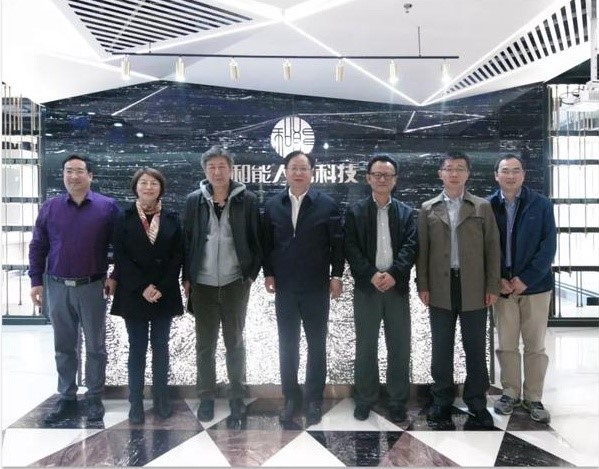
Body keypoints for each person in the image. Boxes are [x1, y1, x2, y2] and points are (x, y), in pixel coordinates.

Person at [29, 154, 119, 424]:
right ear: (63, 175)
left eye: (79, 171)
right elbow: (38, 246)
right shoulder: (50, 208)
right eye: (68, 171)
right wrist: (35, 281)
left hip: (92, 286)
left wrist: (115, 275)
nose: (73, 176)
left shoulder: (107, 207)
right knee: (64, 346)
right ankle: (67, 396)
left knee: (96, 347)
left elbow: (121, 246)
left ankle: (94, 397)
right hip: (57, 286)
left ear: (90, 176)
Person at [416, 151, 501, 427]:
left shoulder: (481, 207)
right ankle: (441, 400)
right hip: (440, 287)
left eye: (460, 169)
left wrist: (492, 285)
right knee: (441, 347)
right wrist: (423, 284)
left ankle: (477, 401)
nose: (454, 174)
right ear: (440, 173)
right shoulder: (428, 208)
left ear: (468, 174)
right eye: (449, 168)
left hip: (474, 287)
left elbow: (493, 249)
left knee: (475, 347)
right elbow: (422, 252)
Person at [262, 150, 344, 426]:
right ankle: (291, 397)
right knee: (287, 344)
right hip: (285, 287)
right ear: (285, 172)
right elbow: (266, 244)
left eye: (303, 168)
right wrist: (268, 273)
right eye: (293, 168)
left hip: (316, 287)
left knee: (316, 345)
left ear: (312, 173)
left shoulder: (327, 205)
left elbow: (337, 244)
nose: (298, 173)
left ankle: (313, 399)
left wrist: (337, 275)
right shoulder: (273, 205)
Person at [183, 145, 262, 422]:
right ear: (205, 171)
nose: (217, 172)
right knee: (205, 344)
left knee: (235, 342)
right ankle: (206, 397)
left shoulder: (247, 200)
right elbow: (187, 241)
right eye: (212, 167)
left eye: (222, 166)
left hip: (234, 283)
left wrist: (250, 275)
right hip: (202, 284)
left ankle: (237, 396)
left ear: (231, 169)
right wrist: (187, 277)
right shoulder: (194, 201)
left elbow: (257, 239)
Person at [344, 155, 418, 422]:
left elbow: (411, 246)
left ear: (395, 180)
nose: (382, 179)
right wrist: (371, 275)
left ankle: (397, 400)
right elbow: (350, 247)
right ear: (368, 178)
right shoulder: (355, 212)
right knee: (366, 346)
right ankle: (365, 398)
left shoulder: (406, 213)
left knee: (399, 346)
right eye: (377, 174)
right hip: (368, 289)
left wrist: (394, 274)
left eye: (387, 175)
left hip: (396, 289)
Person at [110, 168, 184, 424]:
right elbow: (120, 256)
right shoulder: (123, 218)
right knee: (137, 348)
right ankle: (136, 403)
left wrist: (161, 286)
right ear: (136, 187)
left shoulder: (172, 218)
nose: (149, 187)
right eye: (143, 183)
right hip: (134, 293)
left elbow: (178, 256)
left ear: (161, 188)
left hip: (164, 292)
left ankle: (162, 399)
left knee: (161, 348)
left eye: (154, 183)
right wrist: (142, 287)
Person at [487, 154, 557, 424]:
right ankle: (510, 393)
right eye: (505, 171)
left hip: (536, 287)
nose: (511, 175)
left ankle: (534, 397)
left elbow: (548, 246)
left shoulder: (541, 204)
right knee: (506, 344)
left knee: (535, 346)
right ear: (496, 175)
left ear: (523, 175)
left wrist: (525, 279)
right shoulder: (487, 206)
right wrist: (498, 278)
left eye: (516, 170)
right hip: (503, 287)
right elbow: (483, 247)